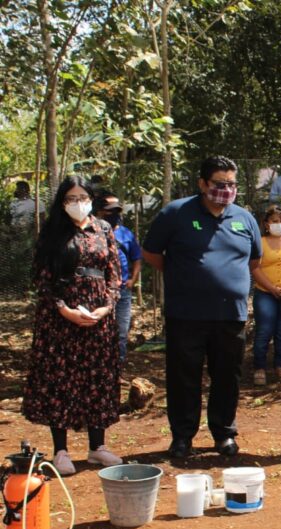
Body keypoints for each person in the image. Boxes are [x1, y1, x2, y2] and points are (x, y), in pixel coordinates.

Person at [142, 156, 262, 461]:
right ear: (202, 183)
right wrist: (183, 275)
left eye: (232, 184)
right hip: (186, 314)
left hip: (230, 315)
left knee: (227, 377)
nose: (227, 189)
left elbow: (254, 261)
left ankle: (224, 434)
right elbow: (152, 253)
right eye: (220, 183)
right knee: (184, 377)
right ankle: (182, 437)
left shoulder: (244, 218)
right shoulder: (176, 213)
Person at [22, 176, 123, 476]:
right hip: (60, 319)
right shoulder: (52, 232)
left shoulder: (103, 229)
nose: (78, 204)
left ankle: (97, 447)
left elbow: (114, 274)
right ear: (62, 202)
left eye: (83, 198)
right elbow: (41, 277)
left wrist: (106, 306)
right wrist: (63, 309)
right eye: (71, 199)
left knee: (98, 378)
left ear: (91, 200)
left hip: (98, 317)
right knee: (61, 379)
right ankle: (61, 451)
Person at [251, 205, 281, 386]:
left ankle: (280, 366)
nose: (278, 224)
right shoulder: (260, 242)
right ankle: (259, 367)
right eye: (274, 221)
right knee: (264, 329)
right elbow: (255, 267)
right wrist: (271, 288)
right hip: (265, 292)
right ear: (266, 224)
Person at [93, 192, 141, 365]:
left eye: (117, 210)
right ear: (99, 211)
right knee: (98, 331)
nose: (114, 214)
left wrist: (132, 280)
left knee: (121, 331)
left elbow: (137, 258)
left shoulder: (126, 234)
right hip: (98, 291)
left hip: (122, 291)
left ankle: (117, 366)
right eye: (109, 210)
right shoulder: (90, 233)